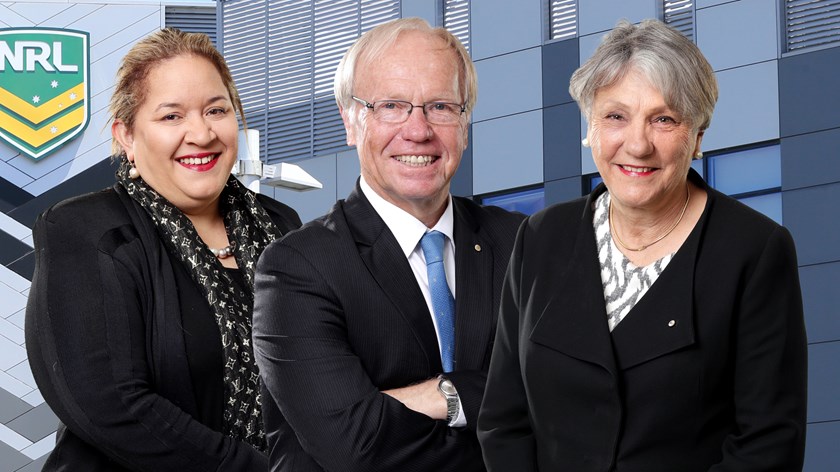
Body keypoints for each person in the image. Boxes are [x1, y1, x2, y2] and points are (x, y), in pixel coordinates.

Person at [477, 19, 807, 472]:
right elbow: (503, 420)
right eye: (615, 116)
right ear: (590, 128)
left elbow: (767, 444)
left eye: (663, 119)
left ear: (698, 137)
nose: (637, 144)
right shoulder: (541, 236)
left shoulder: (754, 250)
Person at [252, 17, 524, 472]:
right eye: (392, 106)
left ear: (465, 121)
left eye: (440, 106)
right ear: (350, 120)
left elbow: (569, 400)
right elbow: (354, 445)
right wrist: (478, 398)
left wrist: (404, 403)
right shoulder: (296, 267)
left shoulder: (522, 244)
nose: (418, 130)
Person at [25, 28, 301, 471]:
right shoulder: (85, 230)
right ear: (127, 136)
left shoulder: (280, 226)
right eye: (172, 116)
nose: (201, 133)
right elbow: (113, 406)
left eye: (216, 110)